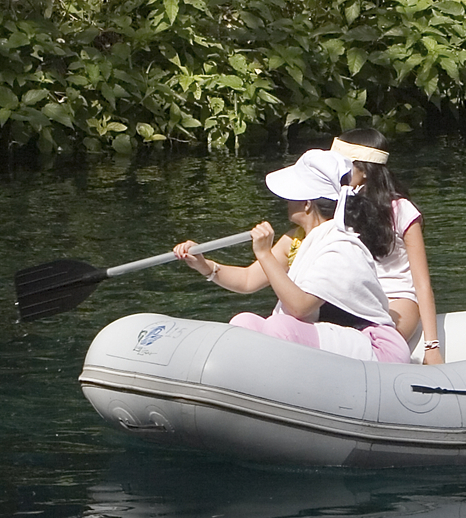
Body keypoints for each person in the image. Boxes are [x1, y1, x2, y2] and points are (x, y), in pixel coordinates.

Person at [172, 148, 411, 364]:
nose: (286, 202)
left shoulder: (341, 245)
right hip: (337, 340)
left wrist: (264, 253)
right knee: (244, 323)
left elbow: (299, 307)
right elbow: (247, 280)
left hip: (374, 346)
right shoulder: (301, 238)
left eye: (292, 196)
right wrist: (204, 265)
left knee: (281, 327)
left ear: (307, 204)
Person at [331, 127, 443, 361]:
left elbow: (422, 283)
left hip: (397, 301)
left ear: (362, 170)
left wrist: (432, 346)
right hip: (356, 299)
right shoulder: (340, 209)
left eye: (341, 164)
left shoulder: (402, 210)